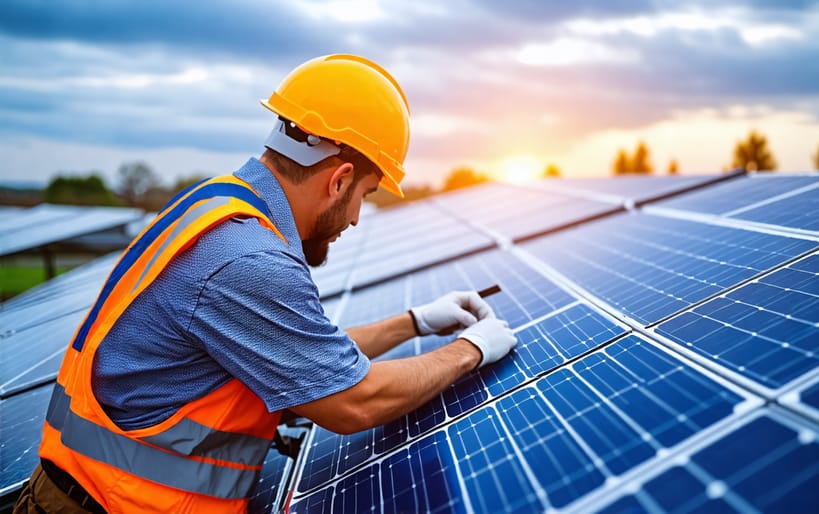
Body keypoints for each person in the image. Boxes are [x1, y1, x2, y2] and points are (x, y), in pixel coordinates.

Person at [16, 54, 517, 514]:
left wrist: (414, 322)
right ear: (339, 179)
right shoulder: (247, 261)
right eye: (364, 194)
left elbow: (307, 361)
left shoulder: (214, 207)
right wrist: (471, 350)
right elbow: (354, 399)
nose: (358, 218)